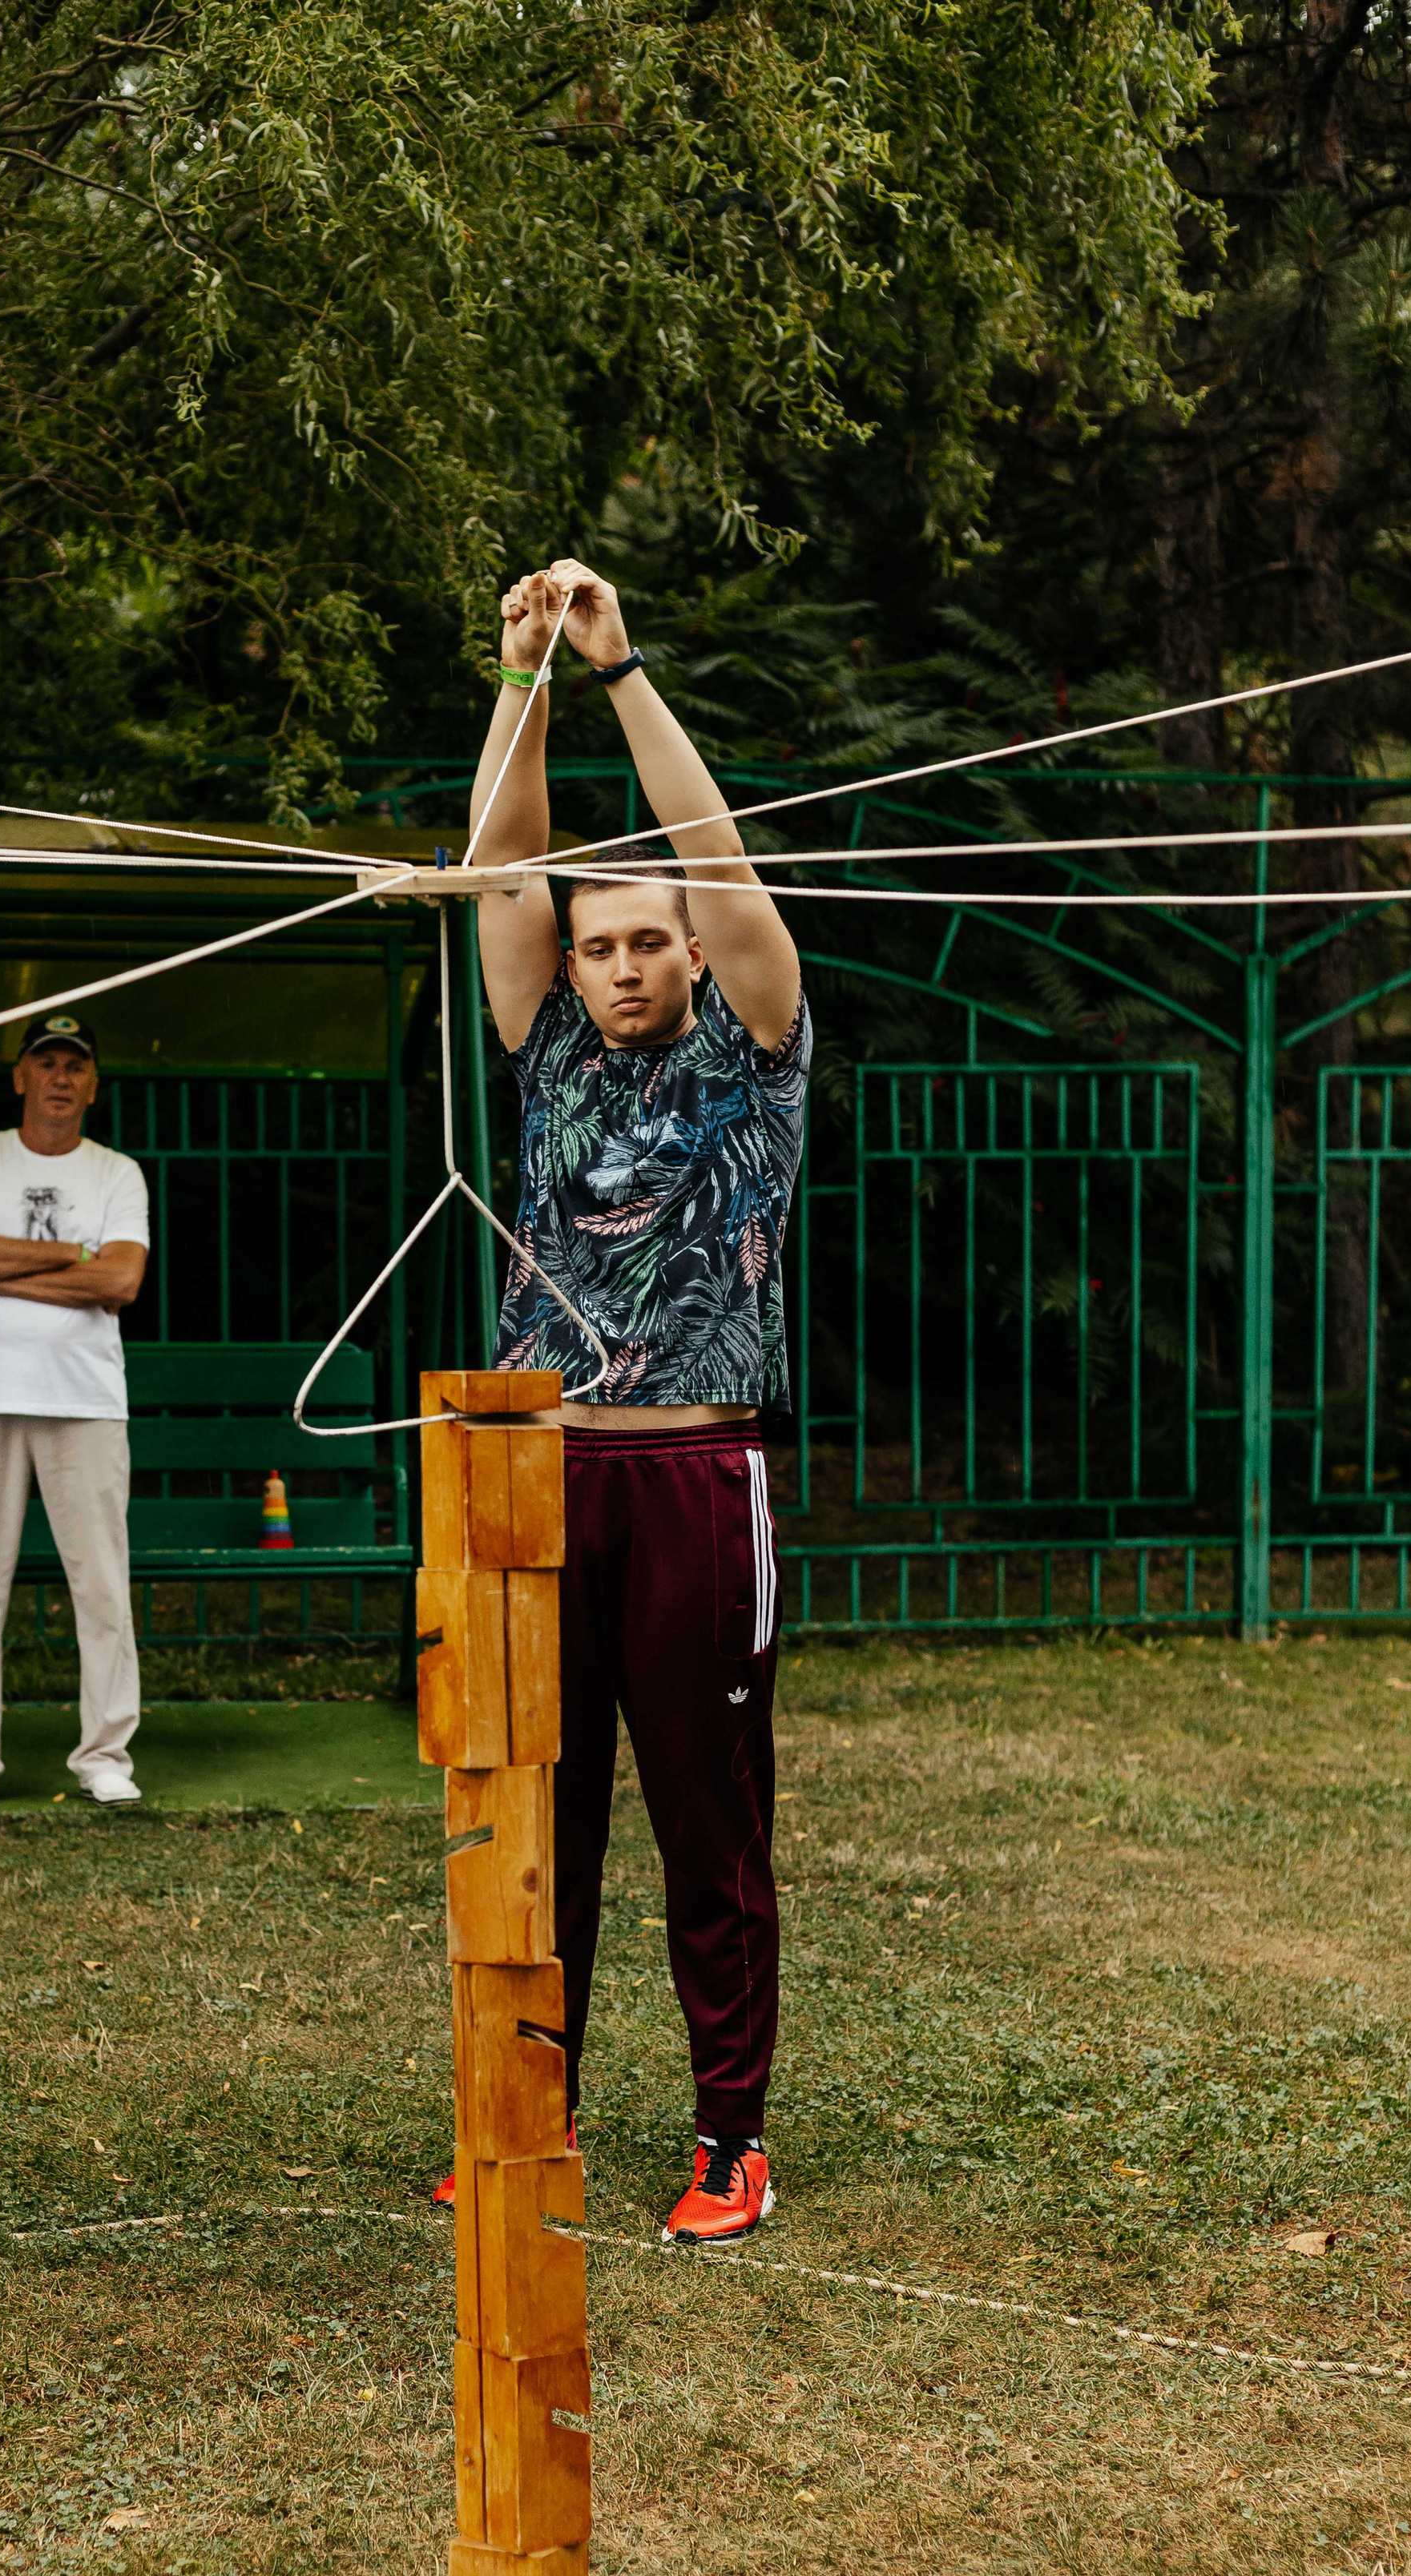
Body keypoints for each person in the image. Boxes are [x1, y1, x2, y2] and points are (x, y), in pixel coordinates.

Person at [455, 557, 809, 2247]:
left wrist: (612, 668)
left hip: (689, 1479)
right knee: (535, 1829)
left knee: (702, 1824)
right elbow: (493, 869)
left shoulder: (751, 1041)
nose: (612, 964)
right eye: (594, 942)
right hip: (534, 1477)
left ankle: (725, 2139)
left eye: (639, 939)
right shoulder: (546, 1044)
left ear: (685, 948)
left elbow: (718, 855)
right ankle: (524, 2124)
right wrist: (515, 674)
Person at [0, 1015, 150, 1807]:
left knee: (102, 1590)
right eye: (45, 1062)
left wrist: (4, 1268)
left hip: (86, 1401)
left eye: (75, 1066)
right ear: (18, 1075)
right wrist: (75, 1255)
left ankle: (105, 1756)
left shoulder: (117, 1173)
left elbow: (121, 1282)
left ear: (93, 1084)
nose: (59, 1077)